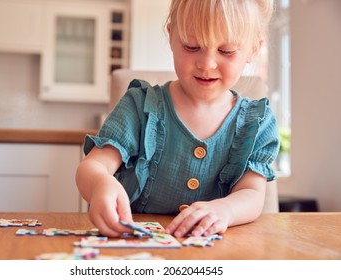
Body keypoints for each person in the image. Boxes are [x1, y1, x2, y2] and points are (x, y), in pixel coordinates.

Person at [76, 0, 279, 238]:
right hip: (133, 245)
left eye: (226, 51)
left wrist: (226, 210)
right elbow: (92, 166)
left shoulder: (257, 123)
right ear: (171, 36)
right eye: (192, 46)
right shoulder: (139, 105)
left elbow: (252, 195)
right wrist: (100, 183)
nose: (207, 64)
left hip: (215, 254)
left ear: (254, 49)